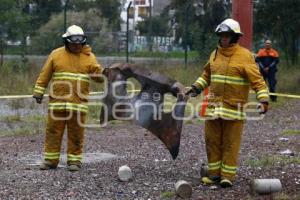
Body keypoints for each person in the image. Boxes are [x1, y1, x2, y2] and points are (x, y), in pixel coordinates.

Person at [186, 19, 269, 187]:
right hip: (213, 109)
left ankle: (227, 177)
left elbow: (257, 80)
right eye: (222, 35)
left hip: (234, 109)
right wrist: (195, 88)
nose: (223, 39)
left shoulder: (245, 56)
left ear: (234, 37)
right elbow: (206, 76)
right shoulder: (214, 54)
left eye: (227, 36)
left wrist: (264, 99)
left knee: (231, 144)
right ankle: (214, 175)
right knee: (212, 142)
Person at [33, 25, 106, 171]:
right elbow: (45, 74)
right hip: (57, 104)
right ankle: (50, 161)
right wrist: (38, 91)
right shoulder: (56, 54)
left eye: (80, 43)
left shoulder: (89, 57)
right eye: (74, 43)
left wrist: (105, 73)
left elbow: (98, 78)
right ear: (67, 41)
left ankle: (74, 161)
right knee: (53, 132)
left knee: (76, 133)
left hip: (78, 105)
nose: (77, 46)